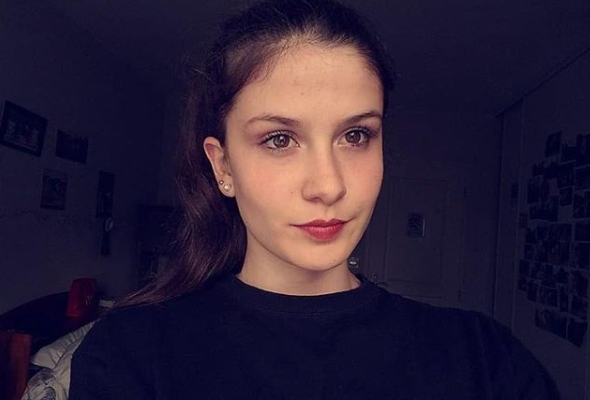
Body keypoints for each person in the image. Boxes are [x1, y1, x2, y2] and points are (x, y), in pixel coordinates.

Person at [69, 0, 561, 399]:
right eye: (280, 139)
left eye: (356, 135)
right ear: (223, 167)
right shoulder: (132, 355)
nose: (328, 186)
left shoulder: (485, 360)